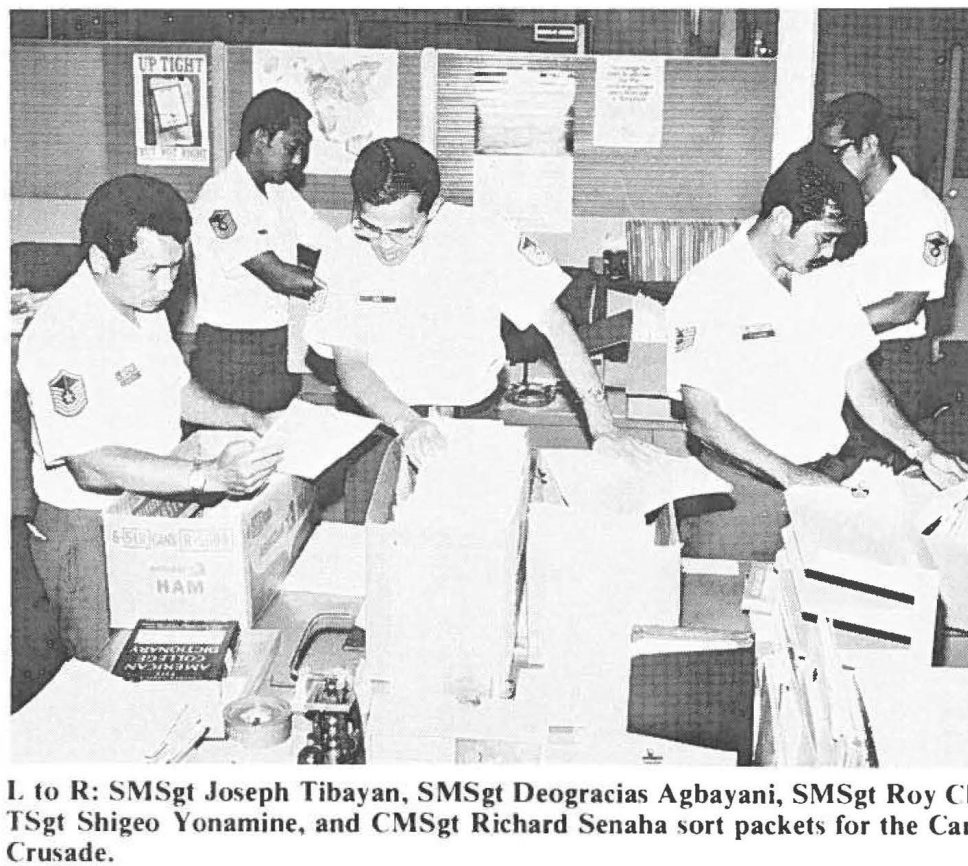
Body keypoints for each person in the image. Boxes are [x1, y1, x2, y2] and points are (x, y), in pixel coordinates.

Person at [17, 175, 282, 662]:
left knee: (171, 649)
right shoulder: (60, 335)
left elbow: (176, 390)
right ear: (100, 259)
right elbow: (92, 468)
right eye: (153, 270)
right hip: (87, 531)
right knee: (112, 668)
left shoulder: (139, 302)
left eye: (175, 269)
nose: (167, 285)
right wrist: (207, 476)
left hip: (153, 499)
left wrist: (247, 418)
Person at [665, 145, 968, 561]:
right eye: (822, 239)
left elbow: (859, 379)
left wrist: (922, 449)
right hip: (742, 493)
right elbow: (702, 416)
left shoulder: (825, 281)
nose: (828, 253)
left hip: (824, 480)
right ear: (781, 220)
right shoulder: (709, 288)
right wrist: (794, 478)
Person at [306, 136, 655, 478]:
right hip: (380, 426)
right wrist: (408, 423)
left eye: (400, 231)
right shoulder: (342, 252)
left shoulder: (486, 238)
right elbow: (350, 363)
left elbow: (556, 327)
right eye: (370, 227)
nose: (384, 245)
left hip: (471, 423)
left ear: (433, 209)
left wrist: (602, 426)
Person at [816, 92, 955, 459]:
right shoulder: (847, 201)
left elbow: (905, 307)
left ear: (871, 144)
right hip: (846, 347)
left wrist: (828, 328)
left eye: (838, 151)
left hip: (891, 360)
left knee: (878, 471)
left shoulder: (920, 211)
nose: (830, 162)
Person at [190, 88, 335, 412]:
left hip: (274, 345)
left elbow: (329, 242)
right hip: (229, 354)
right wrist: (349, 286)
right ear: (260, 138)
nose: (297, 160)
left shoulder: (280, 194)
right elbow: (278, 276)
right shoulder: (219, 199)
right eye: (291, 147)